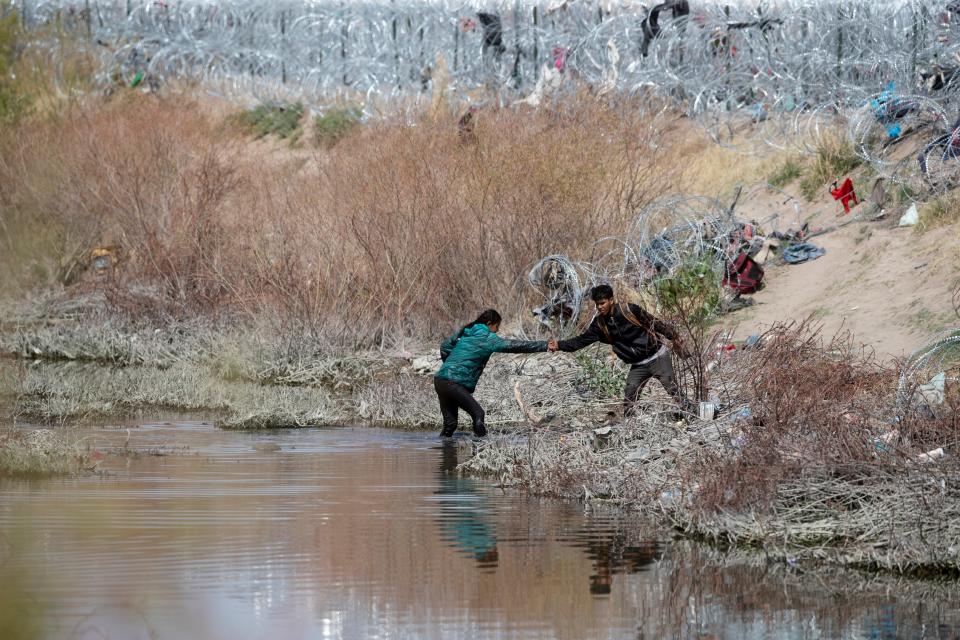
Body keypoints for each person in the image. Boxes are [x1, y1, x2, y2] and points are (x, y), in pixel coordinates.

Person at [548, 284, 688, 417]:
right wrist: (559, 345)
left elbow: (655, 324)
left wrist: (674, 337)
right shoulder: (599, 324)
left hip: (657, 356)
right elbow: (580, 341)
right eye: (597, 304)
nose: (599, 307)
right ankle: (631, 429)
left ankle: (693, 414)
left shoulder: (630, 310)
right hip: (638, 365)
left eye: (602, 303)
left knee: (673, 390)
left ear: (611, 300)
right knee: (629, 399)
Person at [435, 309, 547, 438]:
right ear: (489, 323)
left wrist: (450, 365)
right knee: (478, 414)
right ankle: (482, 450)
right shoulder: (487, 337)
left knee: (450, 424)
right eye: (496, 326)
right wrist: (545, 346)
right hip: (452, 383)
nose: (497, 330)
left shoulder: (467, 331)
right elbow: (515, 346)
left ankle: (443, 452)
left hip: (440, 380)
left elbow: (445, 346)